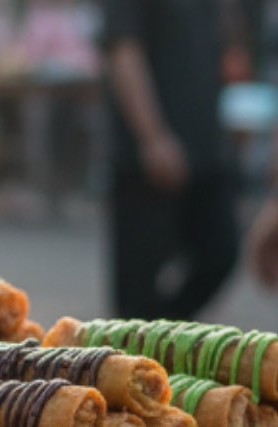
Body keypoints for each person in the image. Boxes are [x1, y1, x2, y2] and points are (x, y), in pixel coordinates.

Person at [103, 0, 241, 320]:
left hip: (205, 147)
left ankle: (166, 336)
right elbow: (123, 51)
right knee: (138, 290)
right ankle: (140, 349)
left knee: (220, 253)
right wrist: (153, 138)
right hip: (145, 157)